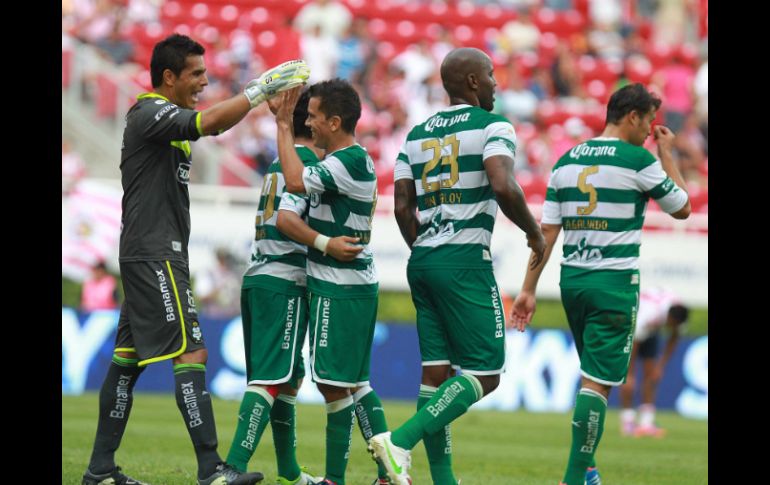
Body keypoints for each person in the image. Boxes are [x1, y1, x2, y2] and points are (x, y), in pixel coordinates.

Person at [81, 33, 309, 485]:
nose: (205, 81)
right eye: (197, 74)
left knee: (127, 359)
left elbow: (209, 121)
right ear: (169, 77)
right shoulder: (149, 112)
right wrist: (259, 89)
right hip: (155, 254)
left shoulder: (162, 120)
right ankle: (211, 469)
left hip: (151, 252)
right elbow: (211, 123)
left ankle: (100, 470)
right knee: (192, 351)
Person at [369, 47, 546, 485]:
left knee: (436, 373)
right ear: (472, 81)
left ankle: (442, 480)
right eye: (490, 75)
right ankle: (399, 442)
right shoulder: (493, 126)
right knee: (486, 372)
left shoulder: (415, 134)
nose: (495, 83)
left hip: (423, 259)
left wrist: (426, 248)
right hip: (464, 260)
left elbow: (403, 206)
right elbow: (503, 184)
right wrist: (534, 232)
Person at [510, 83, 691, 485]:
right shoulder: (638, 160)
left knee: (591, 376)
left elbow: (546, 233)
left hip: (573, 282)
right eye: (648, 121)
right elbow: (682, 208)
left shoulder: (566, 161)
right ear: (632, 116)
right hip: (614, 284)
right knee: (597, 385)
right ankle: (574, 478)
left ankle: (588, 470)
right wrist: (666, 153)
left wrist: (528, 289)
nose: (649, 130)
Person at [269, 79, 388, 485]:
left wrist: (283, 125)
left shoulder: (347, 161)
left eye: (314, 116)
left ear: (335, 122)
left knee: (334, 386)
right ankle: (390, 471)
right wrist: (324, 242)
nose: (308, 122)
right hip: (352, 283)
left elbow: (295, 181)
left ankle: (335, 478)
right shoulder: (345, 160)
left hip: (341, 286)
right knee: (355, 383)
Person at [221, 89, 325, 485]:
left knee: (289, 376)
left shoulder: (279, 165)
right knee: (270, 377)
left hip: (259, 274)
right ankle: (231, 467)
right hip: (284, 278)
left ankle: (290, 472)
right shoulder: (309, 166)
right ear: (314, 122)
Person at [619, 288, 689, 437]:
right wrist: (629, 371)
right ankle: (628, 421)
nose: (671, 327)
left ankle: (646, 423)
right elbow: (633, 344)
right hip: (630, 326)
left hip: (651, 331)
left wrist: (660, 366)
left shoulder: (679, 316)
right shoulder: (649, 314)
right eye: (671, 324)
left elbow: (674, 338)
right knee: (628, 378)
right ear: (668, 317)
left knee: (651, 377)